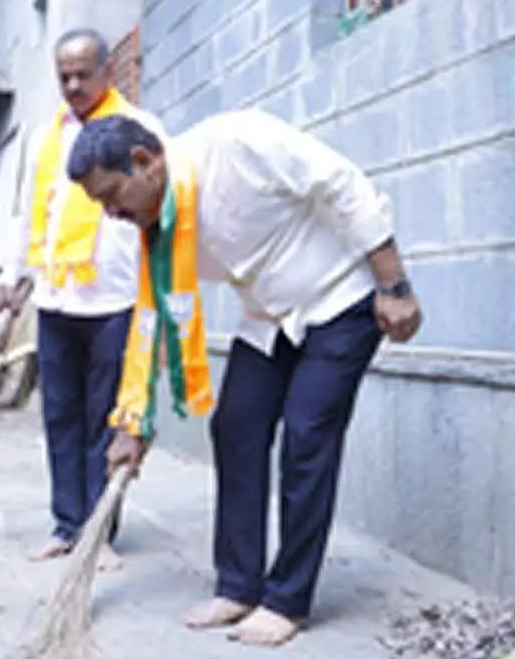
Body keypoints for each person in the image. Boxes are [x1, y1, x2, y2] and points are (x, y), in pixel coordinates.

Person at [66, 111, 424, 646]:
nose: (111, 213)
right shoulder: (154, 226)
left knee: (307, 435)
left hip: (340, 298)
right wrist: (131, 420)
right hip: (268, 318)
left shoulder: (237, 143)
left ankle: (288, 600)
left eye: (112, 195)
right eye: (100, 205)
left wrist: (393, 285)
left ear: (145, 162)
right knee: (235, 427)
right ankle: (237, 586)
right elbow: (150, 319)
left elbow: (342, 182)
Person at [0, 28, 166, 570]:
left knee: (103, 419)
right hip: (56, 298)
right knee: (60, 416)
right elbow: (29, 210)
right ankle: (66, 524)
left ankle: (100, 532)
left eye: (82, 74)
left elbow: (156, 212)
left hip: (115, 300)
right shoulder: (46, 136)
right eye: (63, 76)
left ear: (106, 73)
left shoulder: (142, 129)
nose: (71, 85)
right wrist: (11, 276)